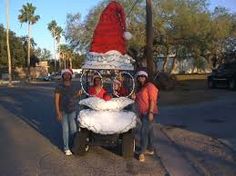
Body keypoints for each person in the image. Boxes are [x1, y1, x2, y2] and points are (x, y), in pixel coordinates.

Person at [54, 69, 82, 156]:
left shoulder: (74, 86)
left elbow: (74, 97)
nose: (67, 76)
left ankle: (74, 146)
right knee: (65, 130)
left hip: (72, 110)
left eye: (68, 74)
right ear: (63, 76)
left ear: (70, 76)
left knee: (74, 129)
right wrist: (58, 112)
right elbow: (56, 100)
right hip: (63, 111)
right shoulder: (59, 86)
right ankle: (66, 148)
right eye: (65, 75)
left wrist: (78, 94)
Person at [133, 70, 159, 162]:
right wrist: (134, 97)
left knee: (143, 132)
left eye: (143, 76)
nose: (141, 78)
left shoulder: (150, 86)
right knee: (150, 132)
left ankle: (142, 153)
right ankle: (151, 149)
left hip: (149, 113)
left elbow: (152, 100)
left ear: (146, 77)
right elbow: (139, 100)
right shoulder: (141, 88)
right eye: (139, 77)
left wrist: (150, 112)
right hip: (142, 113)